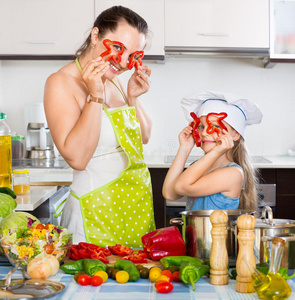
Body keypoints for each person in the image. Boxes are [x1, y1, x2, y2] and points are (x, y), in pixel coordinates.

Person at [44, 6, 156, 247]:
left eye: (132, 55)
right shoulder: (60, 83)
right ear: (96, 36)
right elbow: (77, 159)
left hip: (134, 211)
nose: (124, 62)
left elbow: (143, 137)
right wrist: (95, 97)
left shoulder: (114, 80)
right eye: (117, 47)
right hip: (93, 215)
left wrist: (133, 98)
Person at [162, 91, 263, 211]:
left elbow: (180, 186)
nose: (204, 133)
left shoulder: (233, 173)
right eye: (201, 126)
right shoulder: (200, 166)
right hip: (195, 230)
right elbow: (170, 193)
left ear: (235, 134)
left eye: (215, 127)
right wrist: (184, 148)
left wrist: (216, 152)